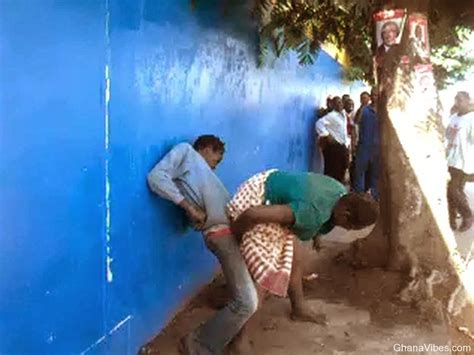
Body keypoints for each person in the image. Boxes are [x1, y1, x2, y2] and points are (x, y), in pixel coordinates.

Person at [147, 135, 258, 355]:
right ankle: (198, 344)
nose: (215, 166)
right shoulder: (185, 152)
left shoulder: (207, 177)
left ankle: (220, 339)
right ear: (207, 148)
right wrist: (189, 207)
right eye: (216, 160)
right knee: (248, 302)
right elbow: (156, 177)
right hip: (220, 233)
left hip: (230, 232)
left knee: (250, 292)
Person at [227, 170, 379, 323]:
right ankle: (238, 337)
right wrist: (235, 237)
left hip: (271, 187)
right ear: (345, 215)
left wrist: (316, 236)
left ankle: (299, 309)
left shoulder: (339, 194)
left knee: (294, 257)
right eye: (350, 227)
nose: (347, 230)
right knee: (268, 274)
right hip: (256, 198)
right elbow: (253, 214)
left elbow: (318, 214)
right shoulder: (311, 212)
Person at [446, 92, 474, 232]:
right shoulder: (453, 117)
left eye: (461, 100)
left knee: (454, 189)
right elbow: (447, 135)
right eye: (456, 100)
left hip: (463, 161)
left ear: (468, 101)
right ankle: (450, 220)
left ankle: (467, 215)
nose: (458, 103)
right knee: (450, 191)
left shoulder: (472, 119)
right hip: (450, 158)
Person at [353, 89, 380, 200]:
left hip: (378, 148)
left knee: (376, 174)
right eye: (372, 95)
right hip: (364, 146)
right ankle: (359, 197)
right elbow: (356, 123)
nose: (374, 97)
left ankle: (374, 198)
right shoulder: (364, 110)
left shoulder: (384, 111)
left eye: (377, 95)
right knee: (359, 172)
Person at [316, 96, 351, 183]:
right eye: (337, 103)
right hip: (334, 147)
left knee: (342, 169)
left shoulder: (343, 115)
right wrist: (327, 135)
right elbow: (319, 123)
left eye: (340, 102)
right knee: (333, 171)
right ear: (333, 105)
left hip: (343, 146)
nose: (339, 104)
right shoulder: (331, 116)